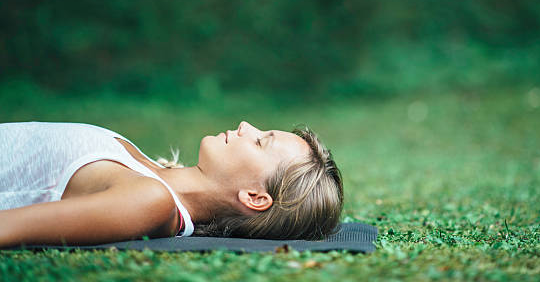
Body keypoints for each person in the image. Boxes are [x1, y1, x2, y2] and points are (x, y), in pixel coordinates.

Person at [0, 120, 343, 247]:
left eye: (259, 142)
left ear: (255, 197)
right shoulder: (150, 171)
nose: (244, 125)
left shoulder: (150, 201)